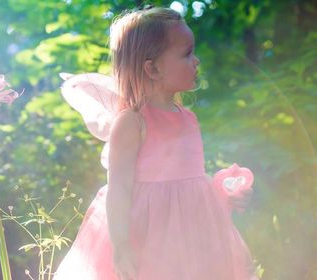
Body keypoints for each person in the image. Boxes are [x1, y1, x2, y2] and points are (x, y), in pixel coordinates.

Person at [53, 6, 258, 280]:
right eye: (186, 54)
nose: (196, 61)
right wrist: (121, 245)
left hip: (193, 239)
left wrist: (224, 195)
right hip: (148, 236)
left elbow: (193, 183)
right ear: (152, 68)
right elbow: (119, 188)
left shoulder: (188, 119)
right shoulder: (132, 122)